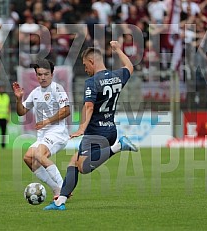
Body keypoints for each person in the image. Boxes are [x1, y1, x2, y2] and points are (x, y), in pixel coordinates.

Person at [43, 41, 138, 211]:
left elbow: (89, 107)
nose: (85, 68)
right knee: (73, 162)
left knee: (84, 167)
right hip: (110, 129)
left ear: (92, 62)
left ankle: (119, 146)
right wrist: (117, 50)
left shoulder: (92, 82)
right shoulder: (117, 76)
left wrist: (81, 128)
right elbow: (130, 66)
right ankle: (60, 202)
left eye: (85, 64)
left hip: (95, 131)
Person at [12, 59, 70, 198]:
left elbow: (66, 111)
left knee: (39, 154)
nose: (42, 77)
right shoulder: (35, 92)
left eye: (46, 74)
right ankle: (56, 189)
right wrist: (19, 99)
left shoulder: (57, 89)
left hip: (58, 132)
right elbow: (21, 112)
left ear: (52, 74)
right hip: (43, 136)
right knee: (28, 158)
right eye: (39, 74)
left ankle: (64, 188)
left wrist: (46, 121)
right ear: (36, 75)